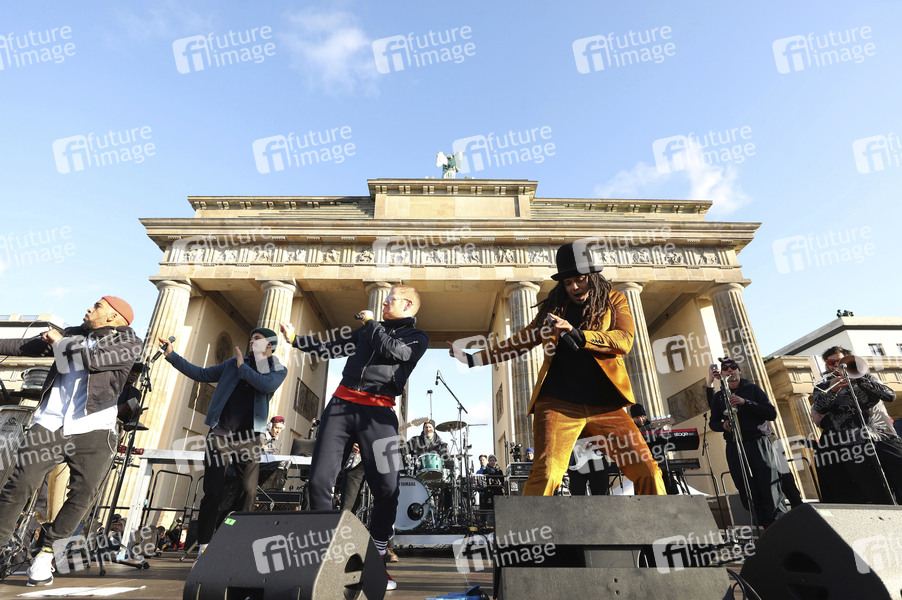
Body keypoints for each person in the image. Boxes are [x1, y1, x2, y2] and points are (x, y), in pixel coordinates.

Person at [449, 242, 665, 496]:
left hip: (605, 405)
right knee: (548, 472)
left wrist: (578, 334)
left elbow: (624, 340)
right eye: (568, 282)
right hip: (558, 403)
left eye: (580, 280)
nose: (574, 287)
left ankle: (662, 522)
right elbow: (519, 342)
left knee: (648, 471)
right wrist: (473, 359)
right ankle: (529, 522)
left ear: (592, 277)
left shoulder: (614, 300)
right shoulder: (552, 310)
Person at [280, 284, 427, 591]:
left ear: (407, 305)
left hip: (379, 412)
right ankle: (326, 555)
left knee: (388, 489)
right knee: (319, 481)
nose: (384, 304)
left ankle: (376, 557)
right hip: (341, 406)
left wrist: (372, 323)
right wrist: (295, 340)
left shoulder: (416, 337)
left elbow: (394, 352)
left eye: (390, 300)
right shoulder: (370, 329)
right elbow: (332, 347)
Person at [0, 296, 141, 586]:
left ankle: (46, 553)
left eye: (98, 306)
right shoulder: (71, 335)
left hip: (95, 427)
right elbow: (23, 346)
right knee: (20, 483)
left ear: (113, 317)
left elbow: (95, 361)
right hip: (50, 423)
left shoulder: (129, 343)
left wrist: (60, 342)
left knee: (83, 493)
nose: (89, 308)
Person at [160, 328, 287, 557]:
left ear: (270, 345)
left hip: (249, 439)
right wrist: (172, 355)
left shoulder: (277, 369)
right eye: (251, 337)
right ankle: (204, 545)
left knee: (248, 491)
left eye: (257, 338)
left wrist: (243, 367)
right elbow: (201, 373)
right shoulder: (232, 364)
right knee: (213, 491)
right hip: (221, 435)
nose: (251, 340)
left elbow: (266, 385)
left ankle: (237, 541)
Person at [811, 346, 901, 504]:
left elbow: (889, 395)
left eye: (841, 361)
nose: (837, 365)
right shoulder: (823, 387)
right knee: (876, 491)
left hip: (883, 436)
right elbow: (819, 409)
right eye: (832, 362)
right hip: (853, 445)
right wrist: (833, 390)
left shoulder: (867, 377)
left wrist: (860, 379)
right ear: (827, 365)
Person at [707, 358, 787, 527]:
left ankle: (778, 523)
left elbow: (771, 414)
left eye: (733, 367)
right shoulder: (719, 396)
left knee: (768, 483)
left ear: (739, 370)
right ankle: (762, 523)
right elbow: (713, 423)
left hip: (758, 442)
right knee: (744, 485)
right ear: (722, 374)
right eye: (725, 368)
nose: (730, 370)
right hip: (734, 444)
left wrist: (745, 402)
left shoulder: (753, 389)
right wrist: (723, 425)